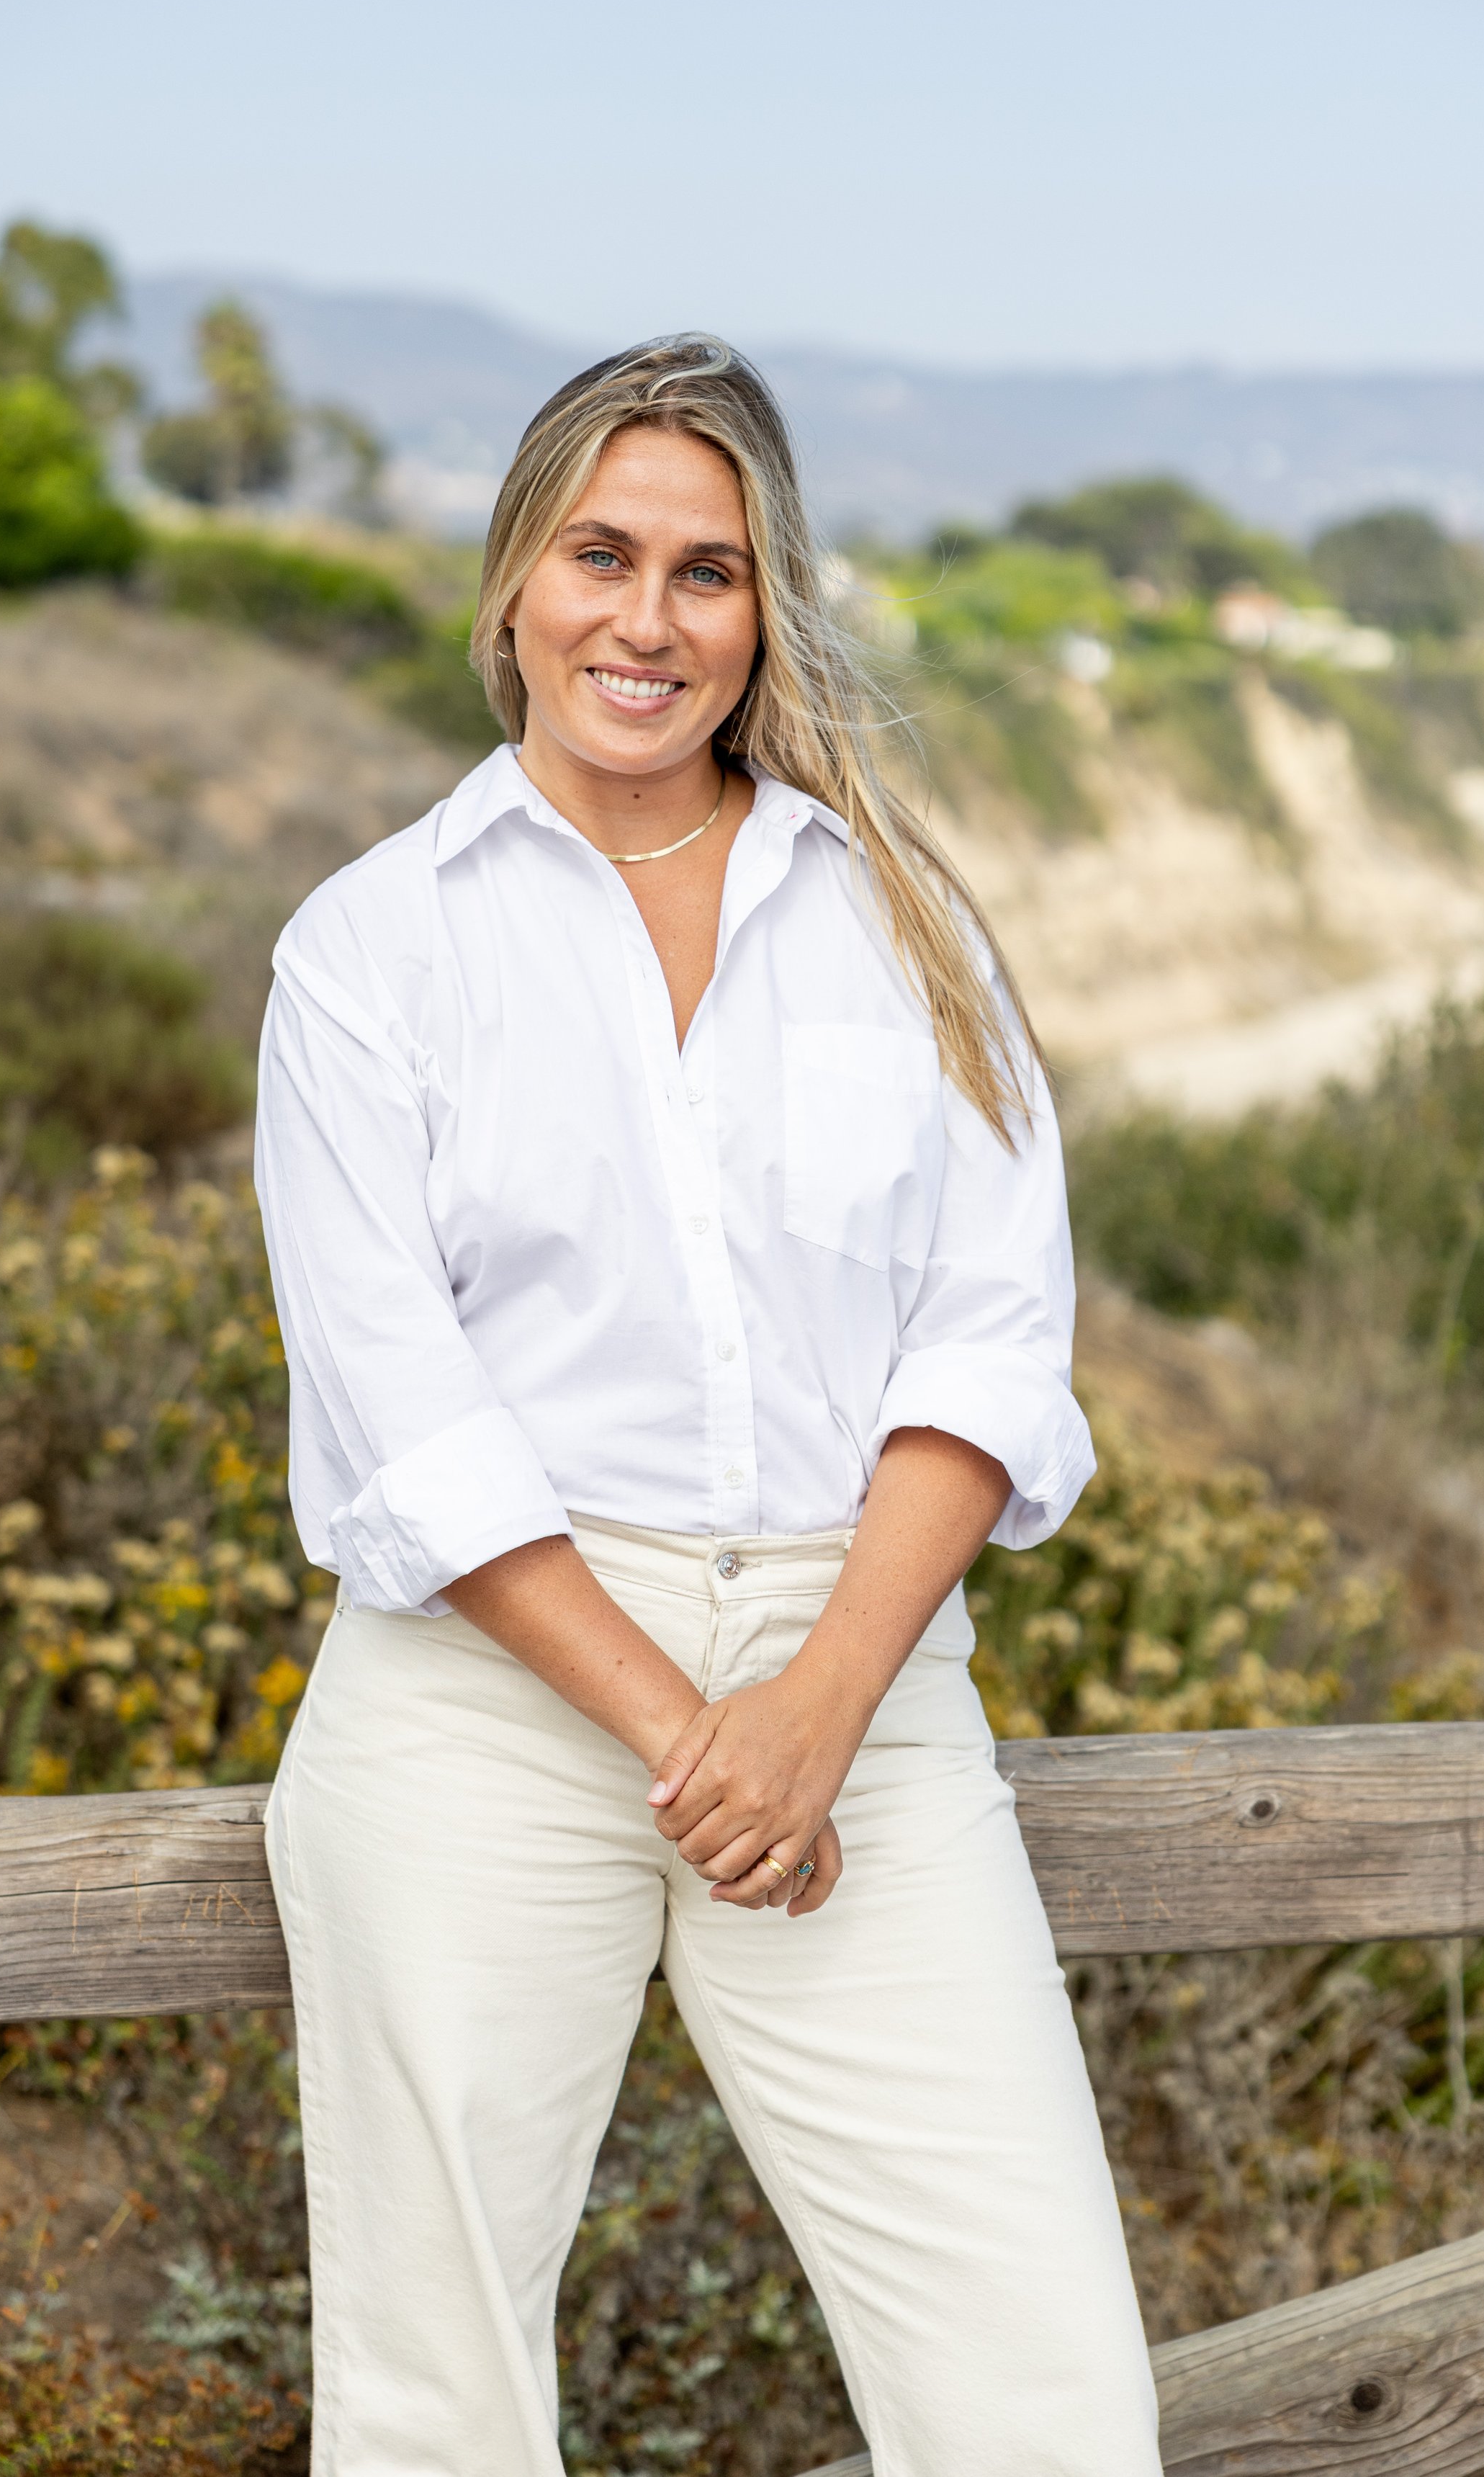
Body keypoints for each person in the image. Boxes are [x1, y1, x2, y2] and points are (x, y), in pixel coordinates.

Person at [254, 335, 1161, 2476]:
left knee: (1038, 2392)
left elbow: (983, 1339)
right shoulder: (369, 953)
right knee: (433, 2404)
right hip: (486, 1704)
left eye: (706, 571)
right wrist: (694, 1739)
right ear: (511, 586)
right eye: (600, 555)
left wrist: (816, 1704)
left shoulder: (906, 924)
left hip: (863, 1693)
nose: (643, 621)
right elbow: (407, 1413)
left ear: (766, 614)